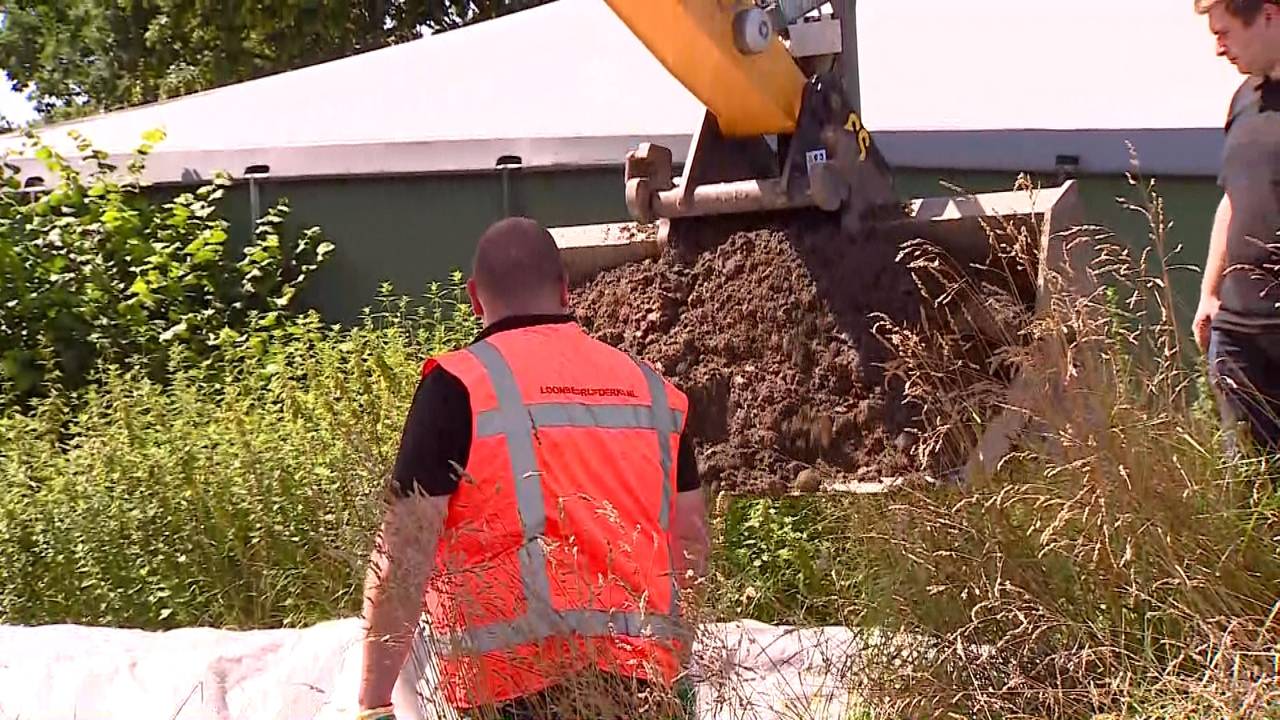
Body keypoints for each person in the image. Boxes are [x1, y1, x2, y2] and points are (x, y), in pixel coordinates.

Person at [356, 217, 711, 720]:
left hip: (512, 694)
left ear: (475, 299)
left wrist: (374, 702)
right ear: (567, 291)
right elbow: (691, 539)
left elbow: (405, 550)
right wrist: (679, 664)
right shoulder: (653, 392)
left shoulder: (458, 388)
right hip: (645, 687)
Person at [1192, 0, 1280, 453]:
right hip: (1239, 340)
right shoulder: (1243, 100)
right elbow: (1233, 199)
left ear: (1268, 15)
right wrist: (1210, 294)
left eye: (1224, 33)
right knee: (1250, 499)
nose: (1218, 48)